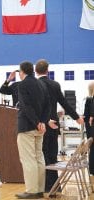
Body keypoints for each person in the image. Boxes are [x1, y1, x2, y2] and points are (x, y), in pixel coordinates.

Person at [35, 59, 84, 193]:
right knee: (52, 156)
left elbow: (36, 107)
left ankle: (46, 186)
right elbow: (64, 103)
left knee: (42, 156)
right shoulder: (55, 84)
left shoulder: (36, 85)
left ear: (35, 71)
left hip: (41, 125)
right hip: (54, 125)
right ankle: (56, 187)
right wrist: (76, 117)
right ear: (48, 71)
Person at [15, 61, 50, 199]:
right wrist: (42, 122)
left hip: (27, 127)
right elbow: (48, 105)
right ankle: (40, 189)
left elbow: (26, 106)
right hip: (39, 128)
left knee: (28, 159)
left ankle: (31, 190)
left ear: (22, 71)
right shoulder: (41, 84)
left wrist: (36, 122)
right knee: (39, 158)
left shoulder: (22, 85)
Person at [84, 82, 94, 175]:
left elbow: (86, 116)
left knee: (92, 148)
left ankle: (92, 169)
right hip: (91, 126)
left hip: (90, 128)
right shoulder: (91, 100)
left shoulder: (88, 99)